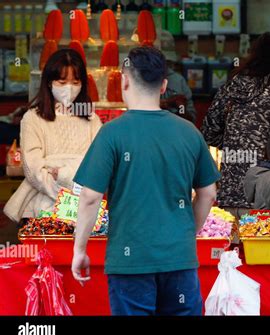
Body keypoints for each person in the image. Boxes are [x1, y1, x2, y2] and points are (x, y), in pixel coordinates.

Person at [71, 46, 220, 316]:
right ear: (164, 85)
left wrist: (79, 249)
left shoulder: (111, 133)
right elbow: (208, 193)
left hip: (130, 264)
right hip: (179, 260)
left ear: (124, 81)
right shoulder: (189, 132)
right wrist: (187, 233)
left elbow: (90, 196)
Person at [201, 32, 270, 216]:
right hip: (268, 195)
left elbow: (208, 133)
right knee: (264, 243)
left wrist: (236, 142)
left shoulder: (231, 86)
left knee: (233, 244)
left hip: (230, 195)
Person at [3, 49, 102, 222]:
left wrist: (61, 174)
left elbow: (99, 165)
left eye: (75, 81)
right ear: (49, 82)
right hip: (40, 210)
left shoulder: (93, 119)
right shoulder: (32, 118)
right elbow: (33, 169)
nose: (69, 88)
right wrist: (67, 194)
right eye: (62, 81)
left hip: (83, 211)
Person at [159, 31, 197, 123]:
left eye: (167, 61)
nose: (164, 64)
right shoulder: (143, 80)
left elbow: (192, 119)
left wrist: (181, 108)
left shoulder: (178, 81)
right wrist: (165, 103)